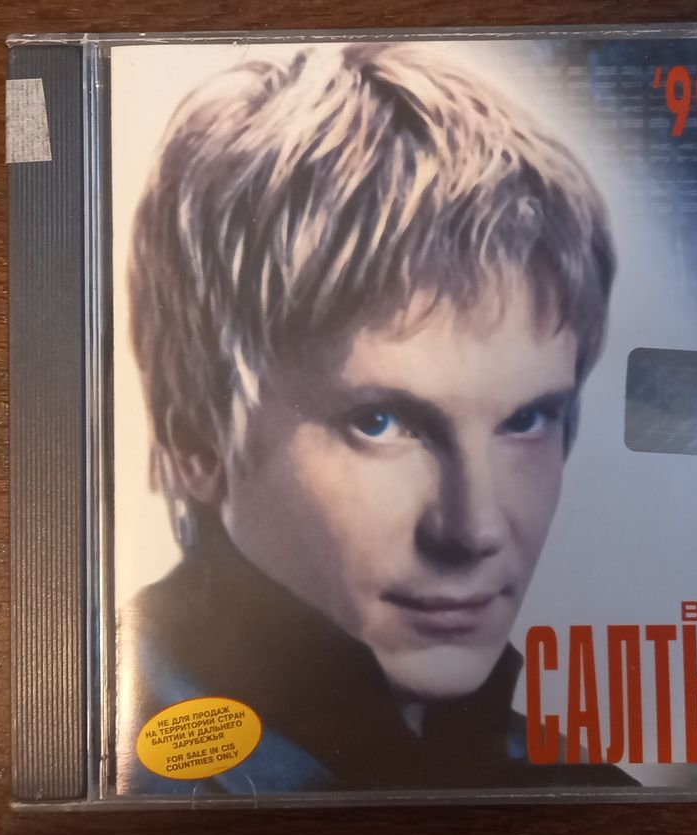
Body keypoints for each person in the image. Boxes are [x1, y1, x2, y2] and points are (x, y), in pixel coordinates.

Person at [117, 42, 634, 794]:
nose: (474, 530)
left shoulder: (585, 792)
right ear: (195, 435)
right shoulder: (115, 778)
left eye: (526, 419)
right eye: (382, 422)